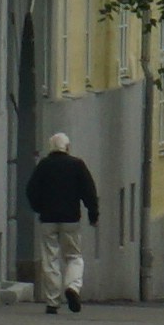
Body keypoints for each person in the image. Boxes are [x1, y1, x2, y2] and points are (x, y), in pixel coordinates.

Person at [23, 132, 103, 312]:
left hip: (48, 220)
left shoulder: (44, 166)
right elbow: (89, 191)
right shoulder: (77, 165)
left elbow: (31, 190)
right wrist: (93, 214)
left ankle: (52, 301)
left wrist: (39, 207)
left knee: (50, 260)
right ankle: (72, 287)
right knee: (74, 257)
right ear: (67, 147)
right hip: (71, 219)